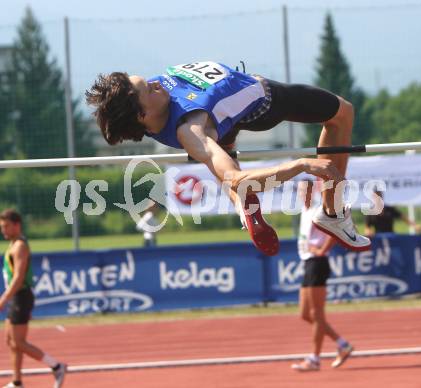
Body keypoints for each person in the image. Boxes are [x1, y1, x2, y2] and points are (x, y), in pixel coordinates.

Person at [86, 61, 371, 254]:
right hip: (262, 104)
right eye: (148, 89)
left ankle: (243, 206)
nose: (155, 83)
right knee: (342, 114)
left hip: (225, 120)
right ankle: (333, 213)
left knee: (222, 151)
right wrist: (301, 164)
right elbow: (236, 178)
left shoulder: (153, 109)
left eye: (148, 81)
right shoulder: (191, 130)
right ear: (142, 114)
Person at [0, 209, 67, 388]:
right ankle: (16, 381)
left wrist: (4, 299)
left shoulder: (20, 245)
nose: (3, 230)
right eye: (2, 227)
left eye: (6, 226)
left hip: (20, 296)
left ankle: (56, 366)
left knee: (18, 342)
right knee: (11, 341)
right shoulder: (13, 244)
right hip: (17, 296)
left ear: (17, 225)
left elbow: (19, 277)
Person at [292, 180, 353, 372]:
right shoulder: (304, 210)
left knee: (317, 315)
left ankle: (314, 359)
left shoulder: (319, 210)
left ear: (314, 191)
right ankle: (342, 344)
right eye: (300, 190)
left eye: (306, 190)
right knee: (305, 314)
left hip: (317, 263)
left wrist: (322, 250)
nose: (303, 194)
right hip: (308, 263)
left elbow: (337, 231)